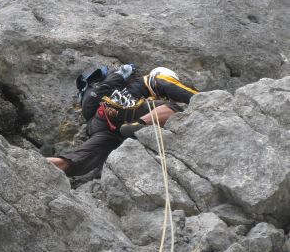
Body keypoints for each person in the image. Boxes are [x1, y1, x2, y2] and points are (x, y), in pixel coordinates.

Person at [48, 65, 198, 177]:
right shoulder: (152, 79)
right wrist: (210, 99)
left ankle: (38, 164)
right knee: (174, 108)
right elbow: (189, 95)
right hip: (123, 110)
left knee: (79, 160)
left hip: (100, 122)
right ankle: (138, 125)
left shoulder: (122, 88)